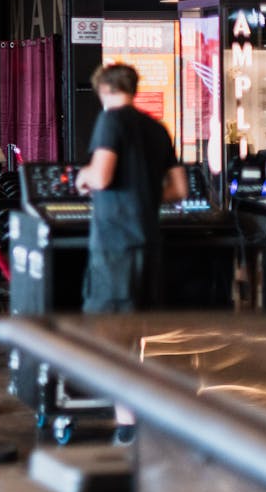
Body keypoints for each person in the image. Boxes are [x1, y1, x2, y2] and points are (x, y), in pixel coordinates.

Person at [76, 63, 188, 313]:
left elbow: (101, 177)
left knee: (105, 328)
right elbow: (180, 189)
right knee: (140, 325)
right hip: (149, 244)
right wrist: (145, 194)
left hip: (115, 245)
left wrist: (84, 176)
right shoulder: (158, 129)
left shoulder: (110, 120)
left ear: (104, 88)